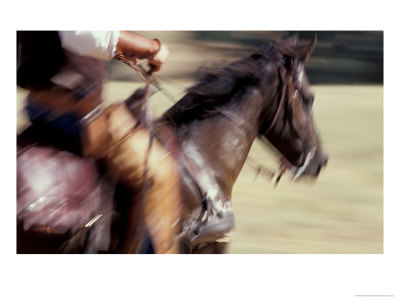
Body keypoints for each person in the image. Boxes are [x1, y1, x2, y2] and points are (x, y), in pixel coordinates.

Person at [17, 31, 180, 253]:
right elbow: (85, 33)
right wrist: (151, 48)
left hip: (43, 103)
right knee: (157, 173)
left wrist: (120, 51)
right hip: (73, 110)